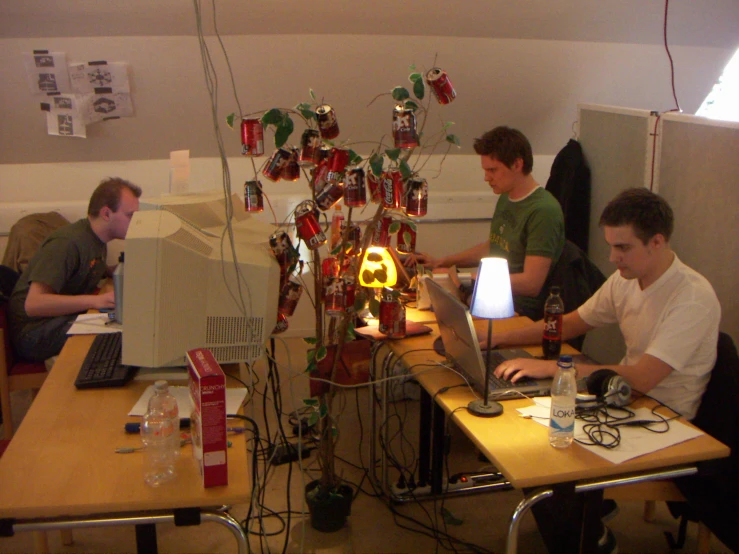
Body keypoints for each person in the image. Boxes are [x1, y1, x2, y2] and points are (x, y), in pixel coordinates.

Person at [489, 187, 721, 553]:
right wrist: (498, 339)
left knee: (543, 462)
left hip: (664, 419)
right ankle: (587, 522)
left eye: (623, 248)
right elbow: (570, 323)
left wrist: (551, 367)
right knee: (524, 441)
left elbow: (644, 377)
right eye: (611, 245)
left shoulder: (691, 297)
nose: (612, 258)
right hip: (624, 399)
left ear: (657, 242)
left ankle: (591, 537)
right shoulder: (626, 280)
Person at [405, 126, 564, 319]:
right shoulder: (506, 197)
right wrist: (443, 261)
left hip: (520, 307)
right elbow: (495, 246)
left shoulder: (544, 210)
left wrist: (475, 280)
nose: (486, 177)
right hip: (490, 297)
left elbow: (531, 283)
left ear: (517, 164)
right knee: (436, 282)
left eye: (493, 170)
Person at [8, 177, 142, 363]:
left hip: (55, 320)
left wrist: (113, 271)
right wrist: (96, 300)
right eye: (130, 216)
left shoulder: (96, 240)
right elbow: (34, 304)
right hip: (33, 332)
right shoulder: (67, 243)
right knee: (117, 331)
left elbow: (87, 268)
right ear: (106, 213)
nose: (137, 223)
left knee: (123, 321)